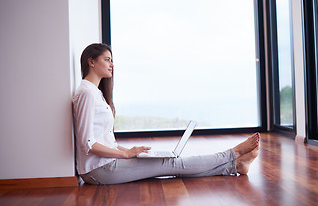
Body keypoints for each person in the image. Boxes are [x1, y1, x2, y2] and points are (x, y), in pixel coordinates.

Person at [72, 43, 260, 184]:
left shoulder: (95, 93)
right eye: (107, 59)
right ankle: (232, 154)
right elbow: (87, 143)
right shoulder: (86, 93)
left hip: (106, 164)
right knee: (171, 164)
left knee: (172, 163)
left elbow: (106, 142)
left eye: (112, 60)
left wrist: (131, 151)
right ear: (91, 61)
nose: (112, 64)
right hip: (98, 170)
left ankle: (235, 166)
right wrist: (126, 155)